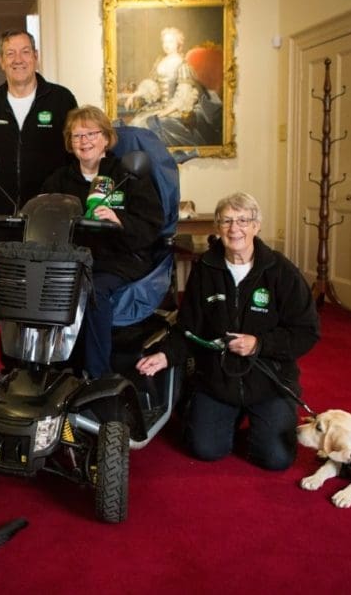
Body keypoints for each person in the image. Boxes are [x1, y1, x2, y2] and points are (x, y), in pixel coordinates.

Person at [135, 192, 320, 470]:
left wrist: (259, 344)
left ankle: (260, 416)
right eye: (227, 221)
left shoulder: (281, 271)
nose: (235, 229)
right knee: (205, 448)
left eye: (243, 220)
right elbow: (188, 327)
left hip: (269, 382)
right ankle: (225, 413)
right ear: (217, 227)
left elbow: (307, 331)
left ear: (257, 226)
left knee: (275, 459)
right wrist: (166, 355)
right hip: (217, 381)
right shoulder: (205, 269)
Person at [39, 106, 164, 379]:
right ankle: (50, 371)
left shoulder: (128, 175)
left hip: (120, 259)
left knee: (92, 288)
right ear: (69, 143)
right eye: (77, 136)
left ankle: (97, 375)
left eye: (91, 134)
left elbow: (151, 226)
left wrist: (120, 221)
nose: (84, 141)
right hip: (73, 259)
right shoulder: (58, 180)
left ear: (106, 138)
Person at [0, 28, 77, 221]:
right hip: (3, 216)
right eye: (10, 53)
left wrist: (58, 194)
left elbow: (75, 154)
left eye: (25, 52)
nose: (18, 59)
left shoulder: (62, 100)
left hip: (52, 216)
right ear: (1, 61)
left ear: (35, 56)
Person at [123, 26, 221, 147]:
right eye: (164, 41)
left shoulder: (182, 64)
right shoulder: (160, 62)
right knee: (137, 123)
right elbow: (152, 84)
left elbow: (184, 95)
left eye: (170, 41)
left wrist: (166, 111)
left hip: (176, 109)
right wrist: (135, 94)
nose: (166, 45)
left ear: (178, 43)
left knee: (150, 126)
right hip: (160, 106)